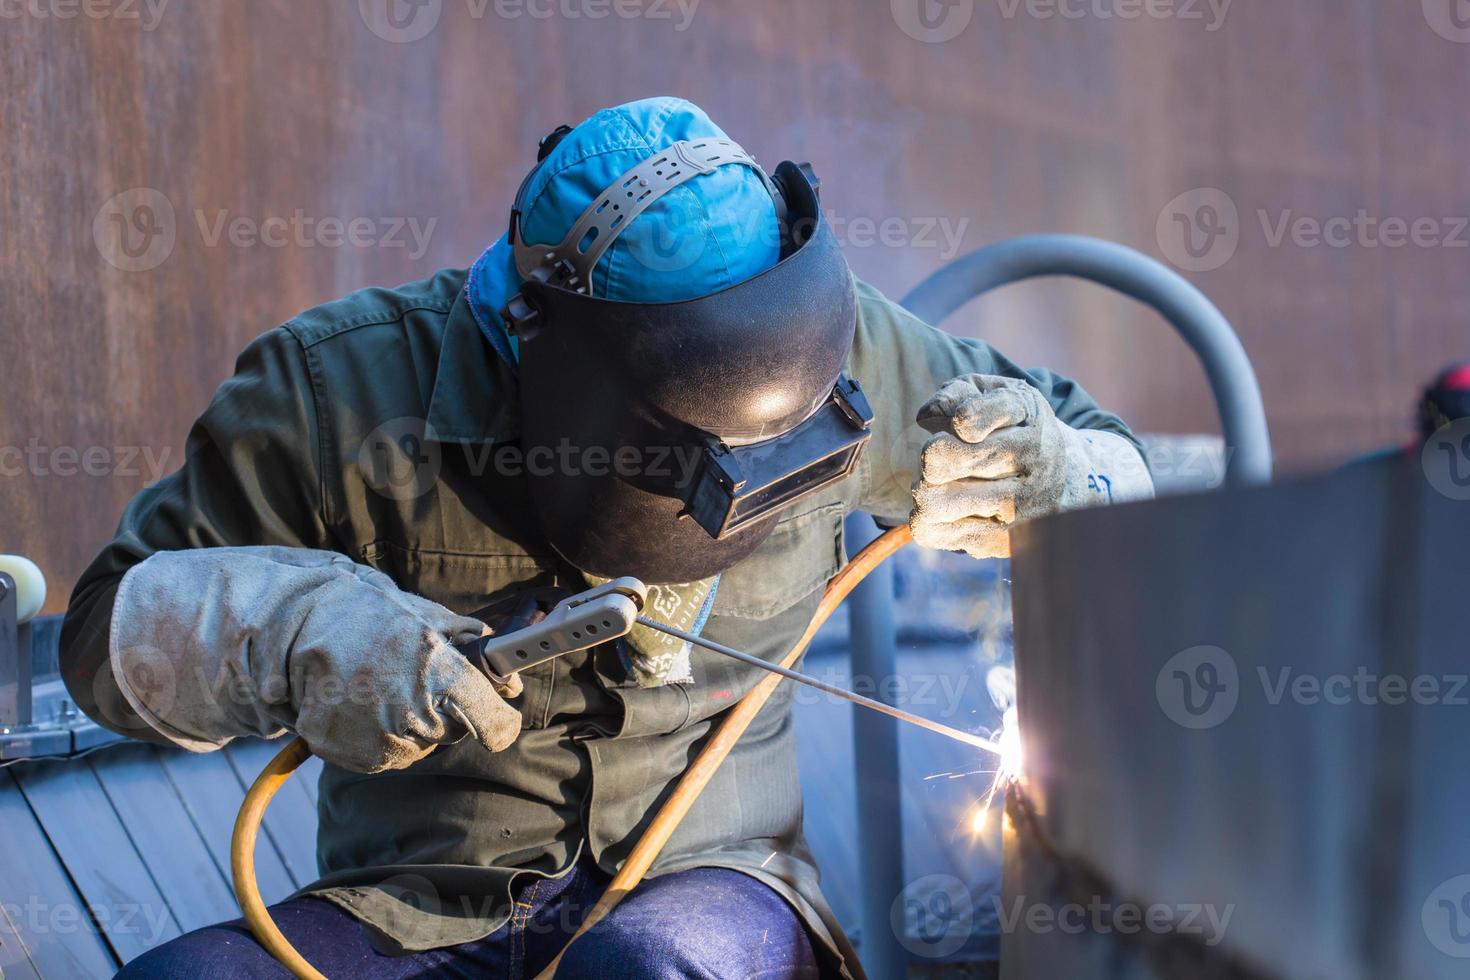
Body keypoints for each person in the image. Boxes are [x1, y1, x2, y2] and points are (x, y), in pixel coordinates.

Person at [62, 97, 1153, 979]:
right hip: (413, 909)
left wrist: (1054, 475)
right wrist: (299, 631)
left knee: (644, 971)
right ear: (550, 347)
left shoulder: (841, 352)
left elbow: (1121, 471)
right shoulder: (343, 393)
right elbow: (104, 637)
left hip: (714, 890)